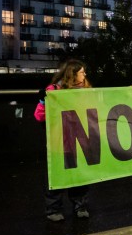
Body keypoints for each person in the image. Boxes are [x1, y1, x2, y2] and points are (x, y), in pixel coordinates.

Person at [40, 60, 93, 222]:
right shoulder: (54, 91)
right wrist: (44, 102)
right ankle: (53, 210)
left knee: (81, 176)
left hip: (81, 141)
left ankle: (80, 207)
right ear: (73, 74)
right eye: (82, 72)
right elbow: (39, 116)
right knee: (58, 177)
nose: (85, 75)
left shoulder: (87, 91)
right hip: (60, 143)